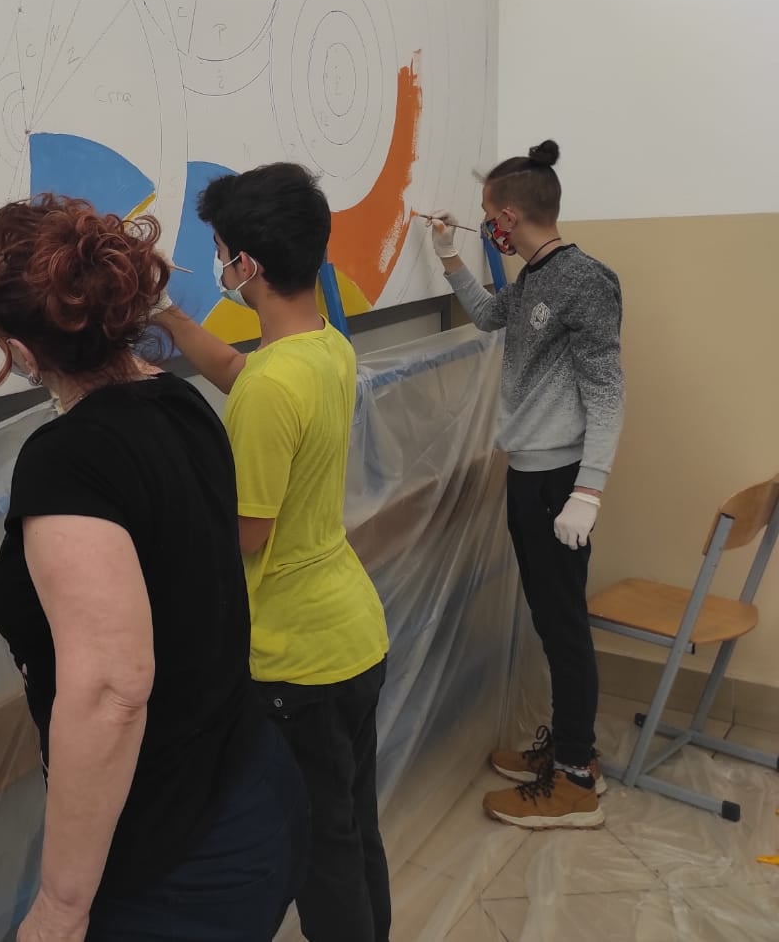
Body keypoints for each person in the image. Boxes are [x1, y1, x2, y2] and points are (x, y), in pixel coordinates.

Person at [0, 194, 308, 942]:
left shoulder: (68, 461)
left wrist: (61, 906)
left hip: (179, 855)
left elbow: (112, 690)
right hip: (251, 783)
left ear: (20, 351)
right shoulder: (180, 402)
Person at [156, 163, 392, 942]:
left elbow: (246, 532)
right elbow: (247, 373)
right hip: (350, 635)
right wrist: (171, 320)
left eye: (221, 251)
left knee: (320, 851)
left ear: (246, 263)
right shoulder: (324, 346)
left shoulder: (271, 389)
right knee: (351, 827)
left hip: (298, 656)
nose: (219, 265)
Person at [429, 139, 623, 830]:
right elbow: (490, 317)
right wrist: (449, 258)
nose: (488, 229)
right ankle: (572, 750)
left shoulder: (586, 280)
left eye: (489, 219)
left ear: (509, 217)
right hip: (529, 476)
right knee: (551, 618)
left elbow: (607, 393)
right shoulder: (535, 276)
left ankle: (574, 780)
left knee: (563, 626)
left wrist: (588, 491)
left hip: (559, 484)